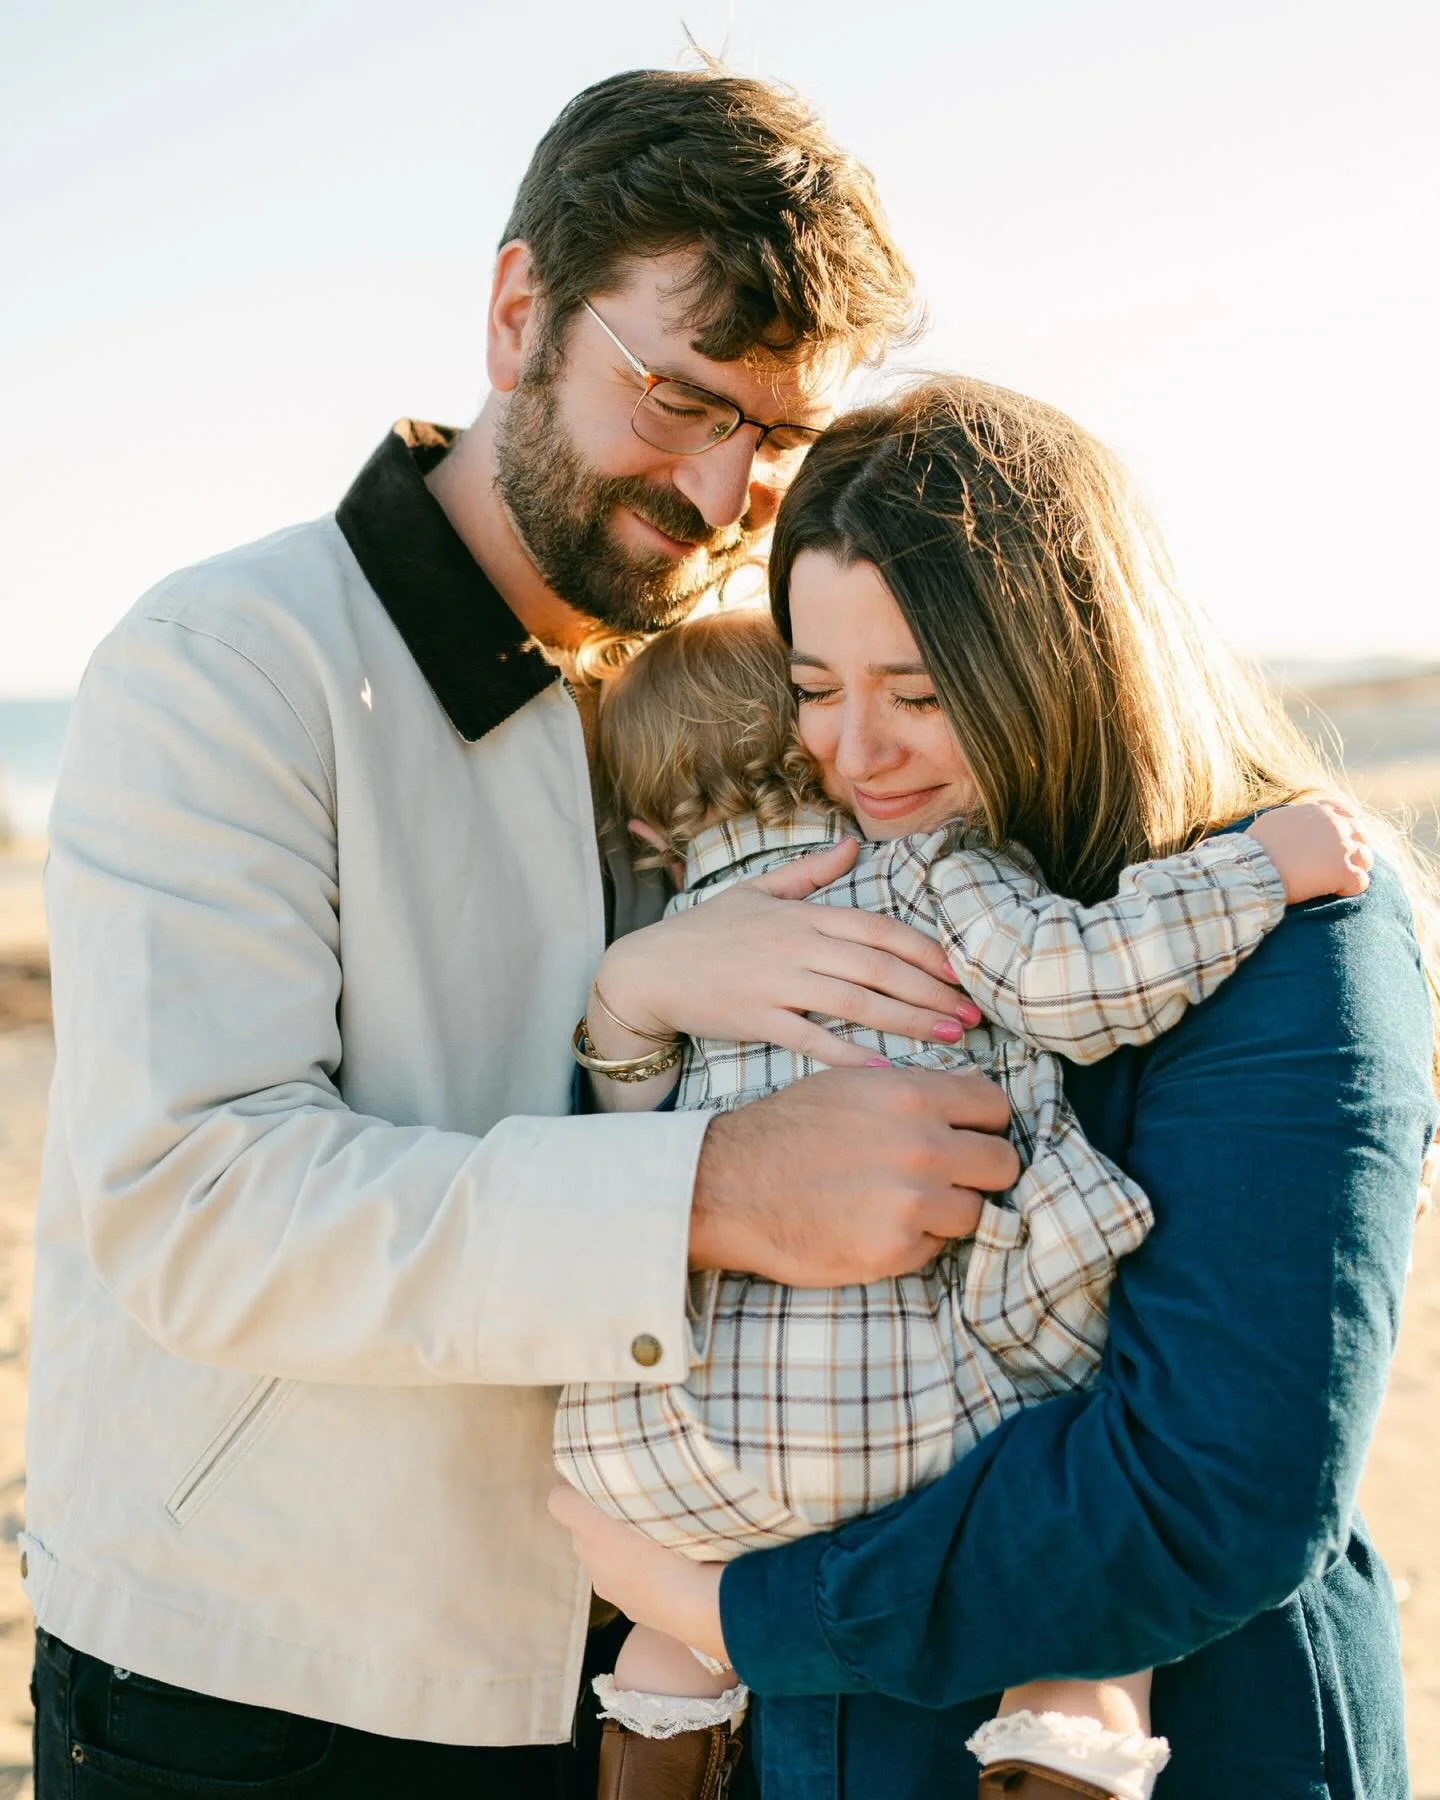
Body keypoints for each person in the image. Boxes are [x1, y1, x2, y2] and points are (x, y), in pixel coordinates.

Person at [24, 70, 1028, 1798]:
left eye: (778, 442)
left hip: (661, 1663)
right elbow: (193, 1202)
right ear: (516, 319)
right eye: (678, 400)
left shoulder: (739, 691)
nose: (723, 492)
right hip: (266, 1692)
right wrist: (718, 1190)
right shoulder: (226, 660)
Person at [548, 377, 1440, 1799]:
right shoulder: (797, 903)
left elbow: (1217, 1491)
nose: (852, 751)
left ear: (1063, 660)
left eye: (916, 693)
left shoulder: (1299, 933)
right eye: (814, 692)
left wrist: (734, 1615)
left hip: (1212, 1752)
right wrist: (634, 994)